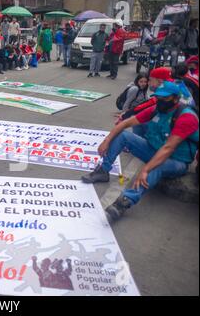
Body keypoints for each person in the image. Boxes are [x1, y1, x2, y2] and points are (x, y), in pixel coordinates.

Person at [82, 81, 198, 223]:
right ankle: (103, 171)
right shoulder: (156, 109)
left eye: (165, 98)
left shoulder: (186, 117)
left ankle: (125, 201)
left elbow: (168, 149)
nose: (160, 101)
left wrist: (146, 168)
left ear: (175, 98)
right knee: (123, 135)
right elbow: (125, 123)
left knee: (155, 166)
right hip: (155, 150)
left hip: (176, 160)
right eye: (158, 97)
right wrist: (106, 141)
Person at [120, 67, 173, 137]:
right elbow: (148, 104)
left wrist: (127, 115)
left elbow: (149, 104)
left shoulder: (166, 93)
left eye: (150, 80)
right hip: (168, 127)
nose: (148, 83)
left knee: (128, 132)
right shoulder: (172, 87)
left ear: (160, 81)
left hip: (167, 133)